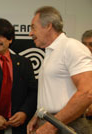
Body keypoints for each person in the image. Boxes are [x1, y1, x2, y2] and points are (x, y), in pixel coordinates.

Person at [27, 6, 92, 134]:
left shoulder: (71, 47)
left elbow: (87, 92)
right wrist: (38, 115)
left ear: (48, 26)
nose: (30, 33)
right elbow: (52, 93)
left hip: (67, 124)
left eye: (33, 27)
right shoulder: (50, 52)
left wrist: (52, 125)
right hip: (53, 122)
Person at [82, 30, 92, 123]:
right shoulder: (77, 64)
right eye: (84, 44)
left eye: (91, 44)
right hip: (80, 118)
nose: (87, 48)